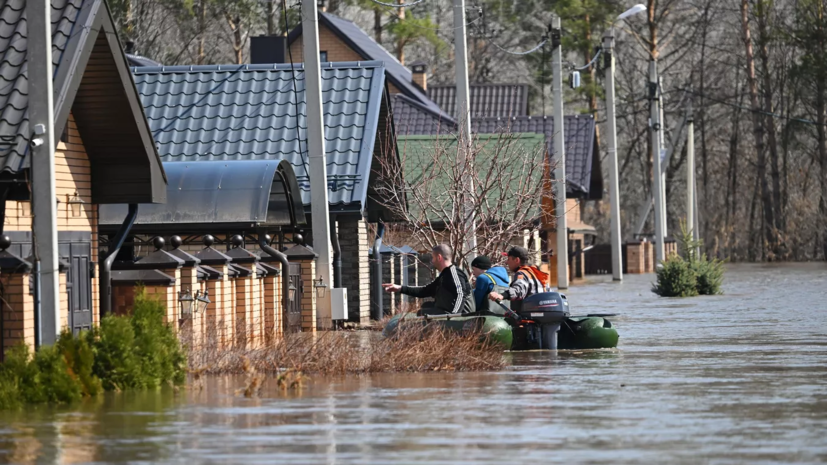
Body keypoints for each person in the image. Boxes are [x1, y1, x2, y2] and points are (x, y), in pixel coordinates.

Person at [383, 244, 474, 315]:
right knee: (425, 308)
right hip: (446, 312)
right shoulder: (444, 275)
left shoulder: (454, 273)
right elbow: (424, 291)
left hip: (459, 315)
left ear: (439, 257)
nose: (432, 261)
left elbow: (460, 294)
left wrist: (453, 317)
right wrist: (399, 288)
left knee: (423, 312)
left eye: (433, 258)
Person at [488, 246, 549, 312]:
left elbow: (518, 290)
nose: (507, 262)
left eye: (509, 259)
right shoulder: (535, 273)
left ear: (517, 260)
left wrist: (501, 295)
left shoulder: (521, 273)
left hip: (528, 318)